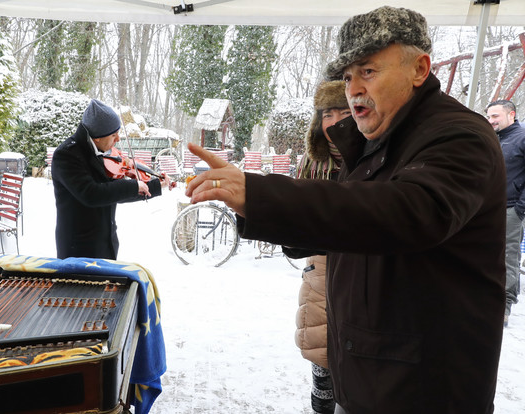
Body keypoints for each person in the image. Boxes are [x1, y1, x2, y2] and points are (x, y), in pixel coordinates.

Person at [185, 6, 505, 413]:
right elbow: (352, 223)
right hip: (366, 375)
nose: (353, 89)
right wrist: (278, 222)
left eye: (368, 71)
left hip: (423, 388)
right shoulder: (374, 140)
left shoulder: (460, 136)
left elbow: (405, 213)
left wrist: (263, 196)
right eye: (348, 76)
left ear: (419, 69)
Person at [290, 80, 350, 414]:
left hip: (363, 269)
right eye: (328, 113)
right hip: (321, 268)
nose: (336, 121)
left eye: (344, 111)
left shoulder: (375, 159)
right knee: (319, 344)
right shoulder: (312, 162)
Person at [52, 99, 171, 260]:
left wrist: (154, 186)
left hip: (104, 245)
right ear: (98, 137)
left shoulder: (98, 150)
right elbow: (92, 194)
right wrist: (133, 186)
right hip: (79, 250)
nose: (118, 139)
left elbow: (112, 191)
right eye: (114, 135)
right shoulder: (67, 155)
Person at [486, 99, 525, 327]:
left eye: (495, 117)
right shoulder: (493, 139)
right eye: (489, 117)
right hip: (488, 208)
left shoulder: (521, 138)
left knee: (508, 258)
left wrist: (520, 209)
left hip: (511, 208)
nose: (491, 121)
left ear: (511, 115)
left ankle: (503, 306)